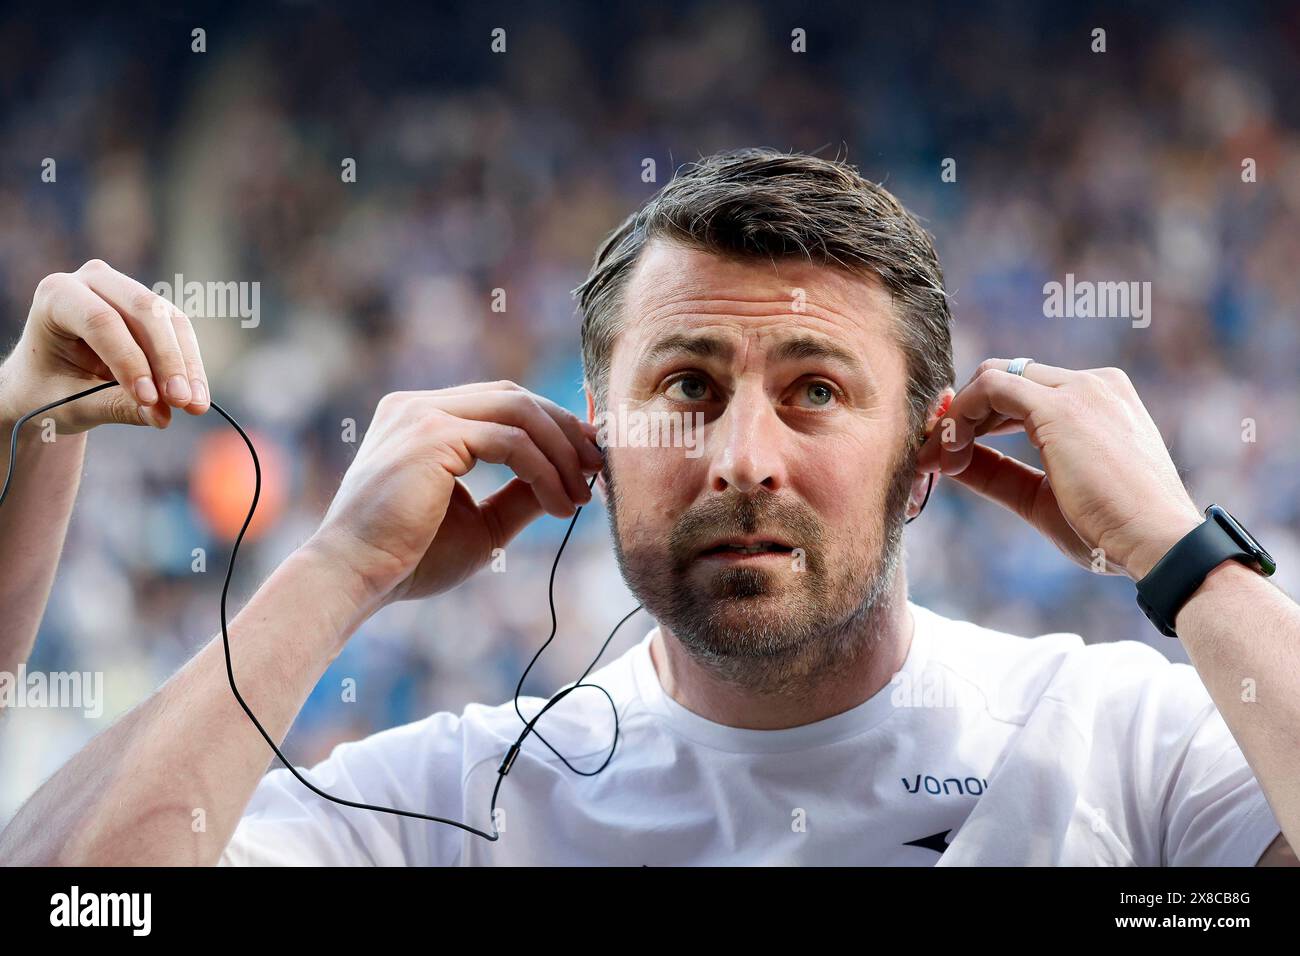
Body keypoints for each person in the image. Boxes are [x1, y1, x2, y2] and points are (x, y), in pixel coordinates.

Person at [0, 149, 1295, 866]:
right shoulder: (453, 806)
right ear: (594, 438)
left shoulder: (1129, 748)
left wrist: (1183, 555)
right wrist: (338, 568)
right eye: (683, 386)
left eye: (816, 390)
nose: (742, 456)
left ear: (928, 451)